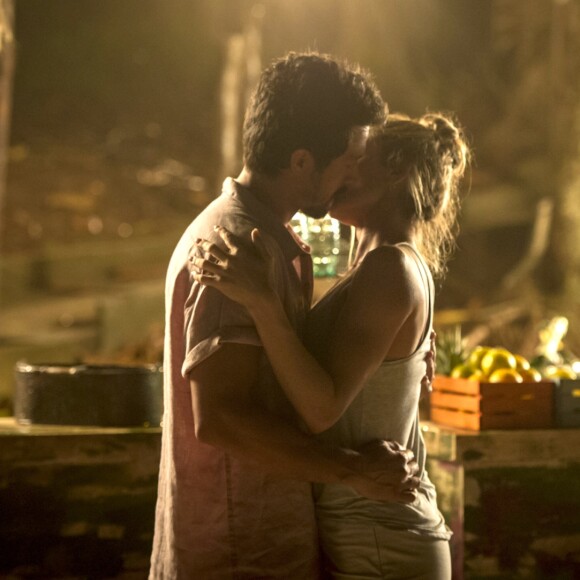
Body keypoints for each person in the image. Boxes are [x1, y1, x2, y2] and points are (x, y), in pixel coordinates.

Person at [149, 52, 423, 580]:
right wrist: (355, 473)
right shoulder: (237, 248)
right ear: (302, 162)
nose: (354, 173)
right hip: (236, 550)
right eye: (348, 159)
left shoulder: (267, 240)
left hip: (261, 541)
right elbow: (222, 417)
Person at [191, 111, 470, 579]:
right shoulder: (376, 267)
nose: (342, 169)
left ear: (396, 172)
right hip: (368, 530)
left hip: (382, 537)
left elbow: (322, 409)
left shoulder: (389, 268)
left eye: (359, 159)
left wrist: (262, 303)